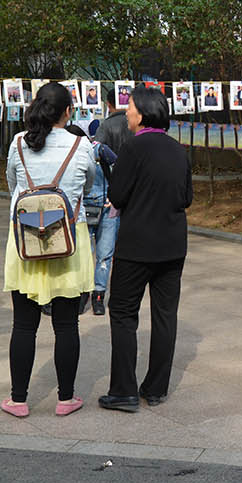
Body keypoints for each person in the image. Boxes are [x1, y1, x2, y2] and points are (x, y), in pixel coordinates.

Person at [1, 82, 95, 418]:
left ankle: (18, 399)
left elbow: (13, 186)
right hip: (69, 238)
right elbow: (88, 183)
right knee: (67, 324)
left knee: (23, 325)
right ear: (68, 111)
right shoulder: (82, 146)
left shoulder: (17, 144)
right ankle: (66, 398)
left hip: (26, 239)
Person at [99, 86, 193, 412]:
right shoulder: (179, 150)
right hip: (172, 245)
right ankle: (156, 389)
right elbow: (186, 198)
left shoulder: (132, 148)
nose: (126, 113)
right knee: (165, 316)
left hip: (136, 246)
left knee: (123, 314)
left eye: (130, 108)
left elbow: (119, 195)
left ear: (144, 113)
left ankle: (123, 391)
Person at [90, 86, 133, 315]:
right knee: (117, 246)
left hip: (109, 191)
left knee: (102, 248)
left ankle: (96, 295)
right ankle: (118, 289)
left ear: (108, 105)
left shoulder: (105, 126)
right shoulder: (134, 125)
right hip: (132, 191)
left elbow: (95, 155)